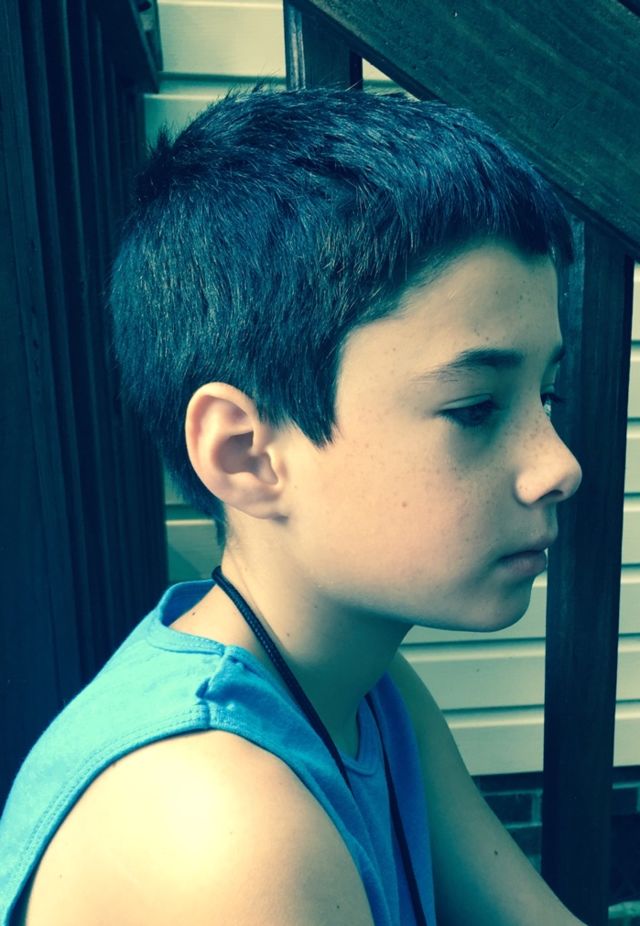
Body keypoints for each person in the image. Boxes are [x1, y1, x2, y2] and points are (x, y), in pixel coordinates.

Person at [0, 88, 586, 925]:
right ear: (244, 454)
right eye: (475, 408)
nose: (558, 465)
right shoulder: (217, 824)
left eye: (547, 395)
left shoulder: (367, 692)